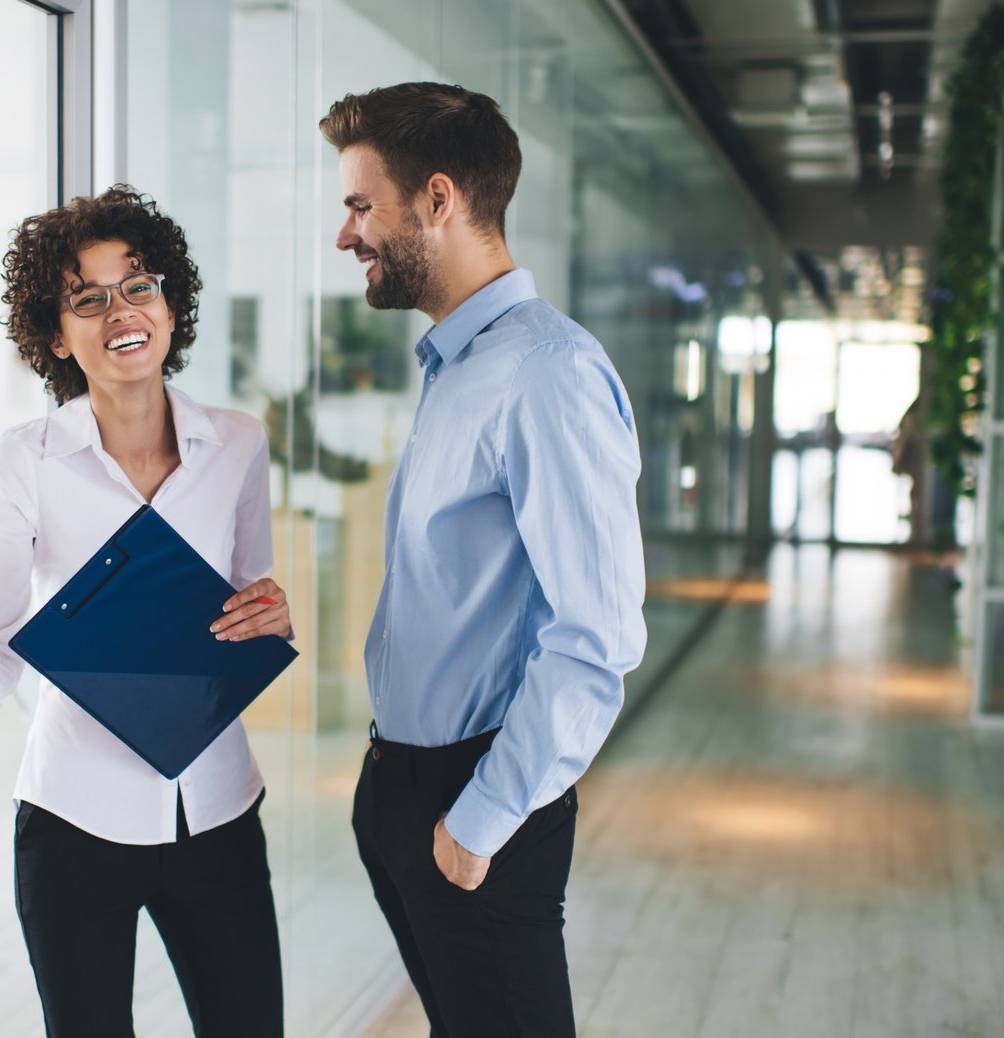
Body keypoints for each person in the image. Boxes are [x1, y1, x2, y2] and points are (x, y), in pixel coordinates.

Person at [0, 187, 288, 1038]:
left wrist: (270, 617)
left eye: (138, 286)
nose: (121, 311)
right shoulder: (28, 462)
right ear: (55, 335)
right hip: (76, 819)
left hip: (218, 812)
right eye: (88, 298)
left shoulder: (240, 444)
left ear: (171, 305)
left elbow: (250, 605)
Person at [321, 83, 647, 1036]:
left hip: (478, 800)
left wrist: (478, 822)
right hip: (408, 783)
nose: (347, 237)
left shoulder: (547, 373)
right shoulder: (458, 363)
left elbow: (597, 635)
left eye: (358, 205)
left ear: (436, 200)